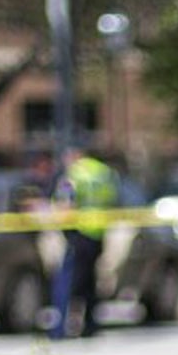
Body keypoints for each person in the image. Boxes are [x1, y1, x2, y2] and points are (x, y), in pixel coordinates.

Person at [50, 143, 117, 339]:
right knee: (90, 282)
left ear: (73, 156)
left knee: (67, 282)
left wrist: (62, 226)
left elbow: (66, 203)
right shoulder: (103, 172)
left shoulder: (74, 174)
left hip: (78, 233)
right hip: (98, 233)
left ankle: (59, 329)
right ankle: (90, 326)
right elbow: (112, 199)